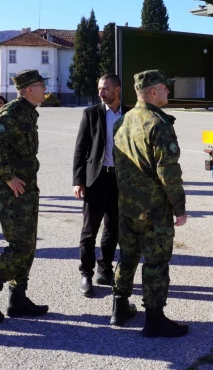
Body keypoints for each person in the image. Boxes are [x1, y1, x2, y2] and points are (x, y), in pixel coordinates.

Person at [111, 69, 189, 337]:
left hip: (127, 206)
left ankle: (119, 308)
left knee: (128, 256)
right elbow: (168, 172)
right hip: (153, 210)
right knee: (156, 262)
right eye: (165, 87)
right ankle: (154, 319)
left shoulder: (122, 121)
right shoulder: (158, 125)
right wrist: (179, 207)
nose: (168, 91)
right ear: (153, 91)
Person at [0, 69, 50, 323]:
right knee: (21, 245)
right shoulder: (13, 112)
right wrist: (8, 176)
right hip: (12, 190)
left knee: (29, 245)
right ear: (29, 90)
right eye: (40, 85)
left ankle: (18, 299)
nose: (44, 89)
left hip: (26, 188)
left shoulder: (28, 112)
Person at [72, 73, 130, 298]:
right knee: (89, 230)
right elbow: (80, 148)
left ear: (117, 89)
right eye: (99, 89)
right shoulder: (91, 114)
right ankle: (86, 273)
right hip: (95, 179)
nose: (100, 92)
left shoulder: (130, 114)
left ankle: (104, 269)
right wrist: (78, 180)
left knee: (113, 228)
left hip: (120, 181)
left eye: (105, 88)